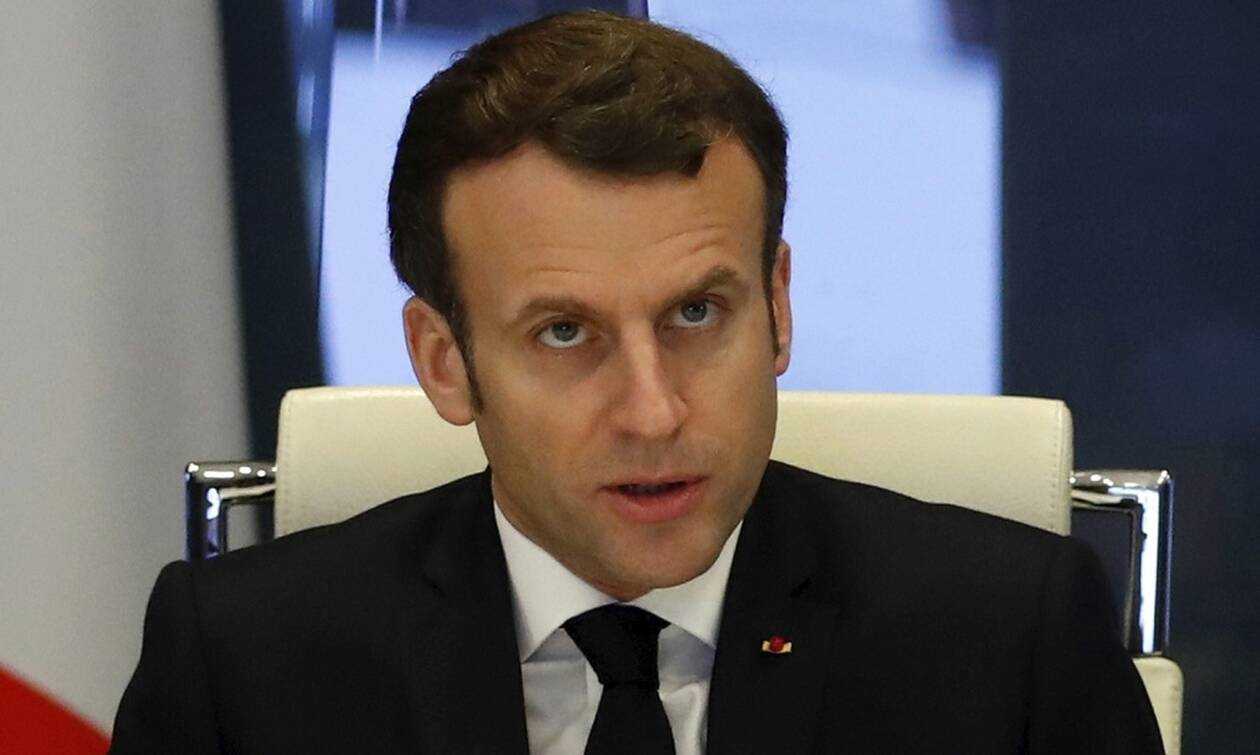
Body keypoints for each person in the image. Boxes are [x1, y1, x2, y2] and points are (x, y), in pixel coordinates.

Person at [110, 11, 1164, 754]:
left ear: (778, 305)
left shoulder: (1010, 642)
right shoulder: (244, 666)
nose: (655, 411)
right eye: (565, 332)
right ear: (443, 360)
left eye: (696, 314)